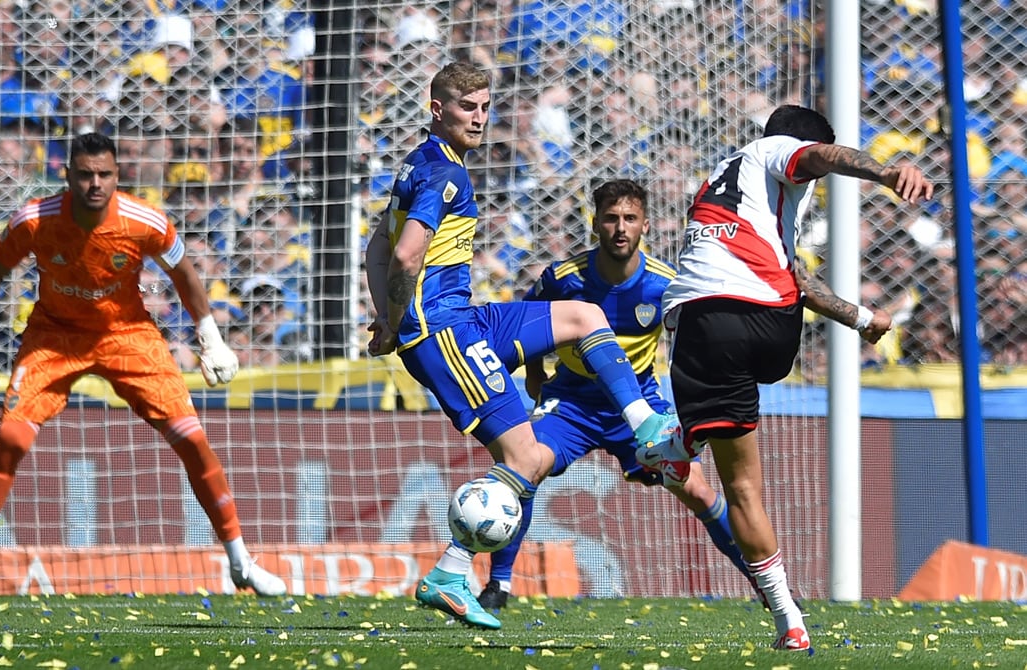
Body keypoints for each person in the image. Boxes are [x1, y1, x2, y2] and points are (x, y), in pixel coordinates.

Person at [364, 62, 672, 630]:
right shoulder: (443, 176)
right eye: (467, 107)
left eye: (485, 106)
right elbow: (405, 254)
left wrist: (385, 317)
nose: (479, 118)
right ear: (438, 109)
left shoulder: (426, 163)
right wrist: (406, 319)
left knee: (583, 315)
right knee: (526, 458)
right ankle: (452, 572)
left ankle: (643, 421)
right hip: (443, 330)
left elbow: (377, 248)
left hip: (466, 318)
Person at [0, 132, 285, 600]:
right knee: (11, 438)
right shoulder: (34, 220)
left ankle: (241, 561)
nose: (94, 184)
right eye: (84, 175)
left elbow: (183, 273)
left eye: (104, 174)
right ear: (68, 176)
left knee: (193, 439)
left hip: (128, 335)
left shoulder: (145, 221)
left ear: (117, 176)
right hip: (54, 336)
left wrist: (211, 340)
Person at [639, 105, 935, 651]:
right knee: (742, 462)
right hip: (769, 327)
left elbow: (796, 276)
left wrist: (862, 319)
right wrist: (889, 170)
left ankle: (788, 620)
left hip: (705, 328)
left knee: (743, 490)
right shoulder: (772, 151)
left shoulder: (723, 188)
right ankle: (681, 442)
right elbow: (821, 159)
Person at [476, 179, 764, 610]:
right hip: (572, 403)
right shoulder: (563, 278)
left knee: (700, 490)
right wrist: (534, 373)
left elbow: (694, 343)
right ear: (595, 224)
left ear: (646, 225)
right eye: (611, 218)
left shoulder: (664, 285)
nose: (620, 228)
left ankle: (764, 584)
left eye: (630, 218)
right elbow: (525, 320)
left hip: (638, 407)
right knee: (524, 464)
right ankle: (498, 586)